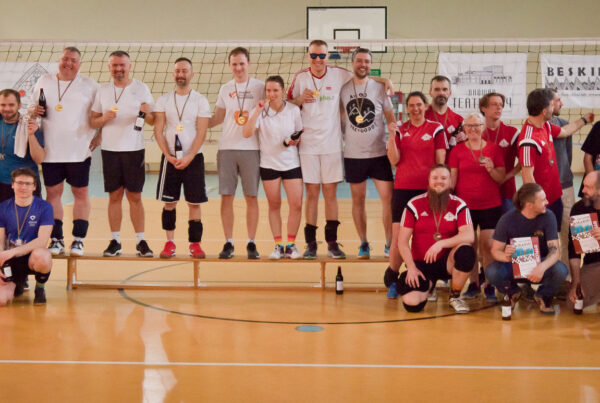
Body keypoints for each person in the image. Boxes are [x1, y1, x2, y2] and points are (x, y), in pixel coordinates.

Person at [288, 39, 393, 259]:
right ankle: (310, 244)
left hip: (332, 145)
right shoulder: (300, 77)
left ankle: (332, 243)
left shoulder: (339, 74)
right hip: (308, 146)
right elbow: (287, 106)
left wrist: (385, 80)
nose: (318, 59)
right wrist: (299, 99)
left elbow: (362, 76)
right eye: (313, 55)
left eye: (322, 55)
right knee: (312, 194)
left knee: (330, 194)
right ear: (308, 56)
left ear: (328, 56)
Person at [29, 46, 99, 256]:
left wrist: (100, 136)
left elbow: (101, 114)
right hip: (51, 151)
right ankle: (57, 239)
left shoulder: (90, 85)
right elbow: (31, 108)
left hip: (79, 152)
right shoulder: (44, 81)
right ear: (59, 60)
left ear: (80, 64)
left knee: (81, 193)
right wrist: (34, 110)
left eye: (73, 60)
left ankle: (78, 240)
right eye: (65, 59)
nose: (68, 63)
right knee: (53, 194)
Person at [90, 50, 155, 257]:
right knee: (114, 196)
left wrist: (146, 113)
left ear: (129, 66)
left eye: (122, 65)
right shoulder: (102, 91)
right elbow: (93, 121)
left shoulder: (141, 88)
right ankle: (115, 241)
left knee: (135, 196)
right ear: (109, 68)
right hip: (110, 151)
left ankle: (141, 241)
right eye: (114, 65)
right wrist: (104, 118)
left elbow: (152, 121)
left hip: (134, 150)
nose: (118, 69)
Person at [384, 92, 447, 299]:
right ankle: (393, 279)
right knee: (398, 237)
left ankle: (431, 279)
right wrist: (391, 135)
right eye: (411, 105)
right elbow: (394, 160)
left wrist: (439, 188)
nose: (415, 108)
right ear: (407, 108)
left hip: (428, 191)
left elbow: (440, 162)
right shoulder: (401, 129)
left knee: (427, 236)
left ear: (425, 106)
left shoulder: (436, 128)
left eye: (419, 104)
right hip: (403, 190)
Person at [339, 48, 395, 258]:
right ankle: (363, 243)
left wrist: (393, 141)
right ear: (353, 62)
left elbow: (391, 119)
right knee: (358, 200)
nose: (363, 64)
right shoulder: (343, 88)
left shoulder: (380, 88)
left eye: (367, 61)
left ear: (371, 64)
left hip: (379, 154)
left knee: (388, 199)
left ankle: (389, 243)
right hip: (353, 155)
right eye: (359, 61)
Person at [397, 164, 475, 313]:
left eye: (444, 178)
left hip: (447, 262)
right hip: (421, 264)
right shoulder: (414, 204)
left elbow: (469, 235)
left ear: (450, 181)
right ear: (429, 180)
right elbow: (402, 242)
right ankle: (429, 287)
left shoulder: (458, 204)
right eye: (435, 178)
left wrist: (441, 244)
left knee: (466, 251)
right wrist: (411, 268)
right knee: (412, 304)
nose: (439, 181)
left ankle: (455, 296)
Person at [208, 47, 263, 259]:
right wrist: (196, 123)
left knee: (251, 197)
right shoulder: (225, 88)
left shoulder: (260, 87)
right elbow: (218, 118)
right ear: (229, 65)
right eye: (234, 64)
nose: (238, 68)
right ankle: (228, 242)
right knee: (226, 196)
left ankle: (251, 243)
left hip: (251, 148)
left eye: (242, 63)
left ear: (249, 64)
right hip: (227, 148)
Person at [154, 57, 210, 258]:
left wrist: (190, 156)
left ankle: (195, 244)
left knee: (194, 203)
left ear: (192, 74)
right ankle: (169, 243)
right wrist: (167, 155)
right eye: (177, 71)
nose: (180, 74)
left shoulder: (200, 100)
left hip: (193, 159)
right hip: (170, 159)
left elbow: (202, 132)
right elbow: (158, 130)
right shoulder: (163, 100)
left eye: (184, 71)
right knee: (169, 203)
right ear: (173, 74)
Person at [243, 76, 303, 259]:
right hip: (269, 165)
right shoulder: (260, 111)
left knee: (296, 204)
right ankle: (278, 245)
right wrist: (257, 111)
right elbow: (246, 133)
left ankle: (291, 245)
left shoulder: (293, 110)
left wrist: (294, 140)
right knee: (274, 205)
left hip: (291, 163)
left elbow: (299, 133)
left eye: (275, 90)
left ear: (283, 91)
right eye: (268, 90)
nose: (272, 94)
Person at [518, 88, 594, 231]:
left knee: (562, 232)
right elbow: (527, 177)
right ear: (544, 111)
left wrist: (584, 120)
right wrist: (538, 201)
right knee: (544, 239)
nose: (555, 108)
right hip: (541, 201)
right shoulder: (528, 140)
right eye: (552, 105)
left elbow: (565, 131)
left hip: (555, 196)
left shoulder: (545, 125)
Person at [486, 183, 568, 314]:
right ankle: (513, 292)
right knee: (492, 272)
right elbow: (495, 251)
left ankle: (543, 295)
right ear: (529, 205)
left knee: (561, 270)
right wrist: (506, 256)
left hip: (540, 263)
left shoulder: (549, 216)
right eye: (543, 200)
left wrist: (541, 267)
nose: (547, 202)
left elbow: (555, 250)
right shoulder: (507, 219)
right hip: (514, 264)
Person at [449, 112, 505, 301]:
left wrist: (491, 169)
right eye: (469, 126)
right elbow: (453, 179)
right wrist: (449, 202)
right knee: (469, 246)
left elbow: (500, 178)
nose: (473, 129)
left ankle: (489, 284)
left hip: (491, 205)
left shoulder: (494, 149)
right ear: (464, 129)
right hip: (466, 207)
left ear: (483, 127)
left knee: (488, 246)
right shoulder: (457, 151)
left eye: (477, 125)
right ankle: (473, 284)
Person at [0, 168, 53, 306]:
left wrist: (14, 251)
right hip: (9, 260)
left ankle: (40, 287)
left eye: (28, 183)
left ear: (34, 186)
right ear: (12, 185)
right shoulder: (3, 207)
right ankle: (16, 283)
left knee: (43, 256)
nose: (23, 187)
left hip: (31, 257)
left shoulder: (45, 207)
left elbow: (42, 241)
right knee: (1, 301)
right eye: (19, 183)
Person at [0, 89, 45, 201]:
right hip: (2, 184)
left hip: (26, 185)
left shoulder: (29, 125)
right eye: (3, 105)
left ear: (19, 105)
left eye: (11, 105)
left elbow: (39, 159)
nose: (7, 109)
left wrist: (31, 135)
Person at [479, 92, 519, 213]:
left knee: (508, 224)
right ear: (483, 108)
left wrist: (506, 177)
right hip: (482, 191)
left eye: (501, 105)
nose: (498, 108)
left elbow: (524, 162)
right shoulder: (475, 132)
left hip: (506, 191)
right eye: (494, 104)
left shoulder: (512, 132)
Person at [568, 171, 600, 311]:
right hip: (593, 264)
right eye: (583, 185)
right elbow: (573, 249)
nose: (582, 190)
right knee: (574, 302)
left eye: (588, 187)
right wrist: (576, 283)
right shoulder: (579, 208)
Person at [424, 75, 464, 148]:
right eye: (437, 89)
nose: (441, 93)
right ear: (430, 92)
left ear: (450, 93)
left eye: (445, 89)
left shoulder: (458, 120)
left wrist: (466, 137)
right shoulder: (421, 116)